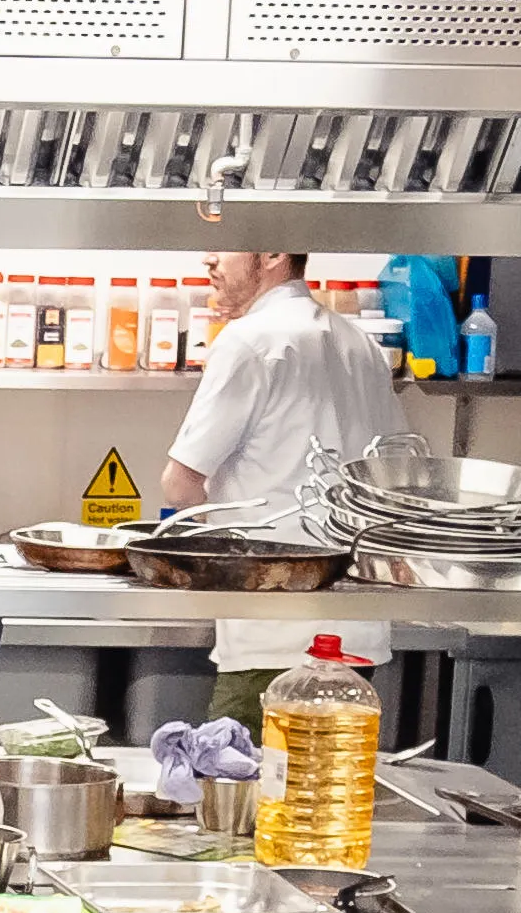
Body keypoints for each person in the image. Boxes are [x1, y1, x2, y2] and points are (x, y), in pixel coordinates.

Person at [154, 250, 402, 721]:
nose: (209, 259)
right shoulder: (361, 344)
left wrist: (211, 552)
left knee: (242, 785)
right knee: (325, 789)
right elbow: (394, 473)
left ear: (272, 255)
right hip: (357, 634)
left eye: (225, 245)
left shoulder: (249, 341)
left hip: (272, 634)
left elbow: (181, 485)